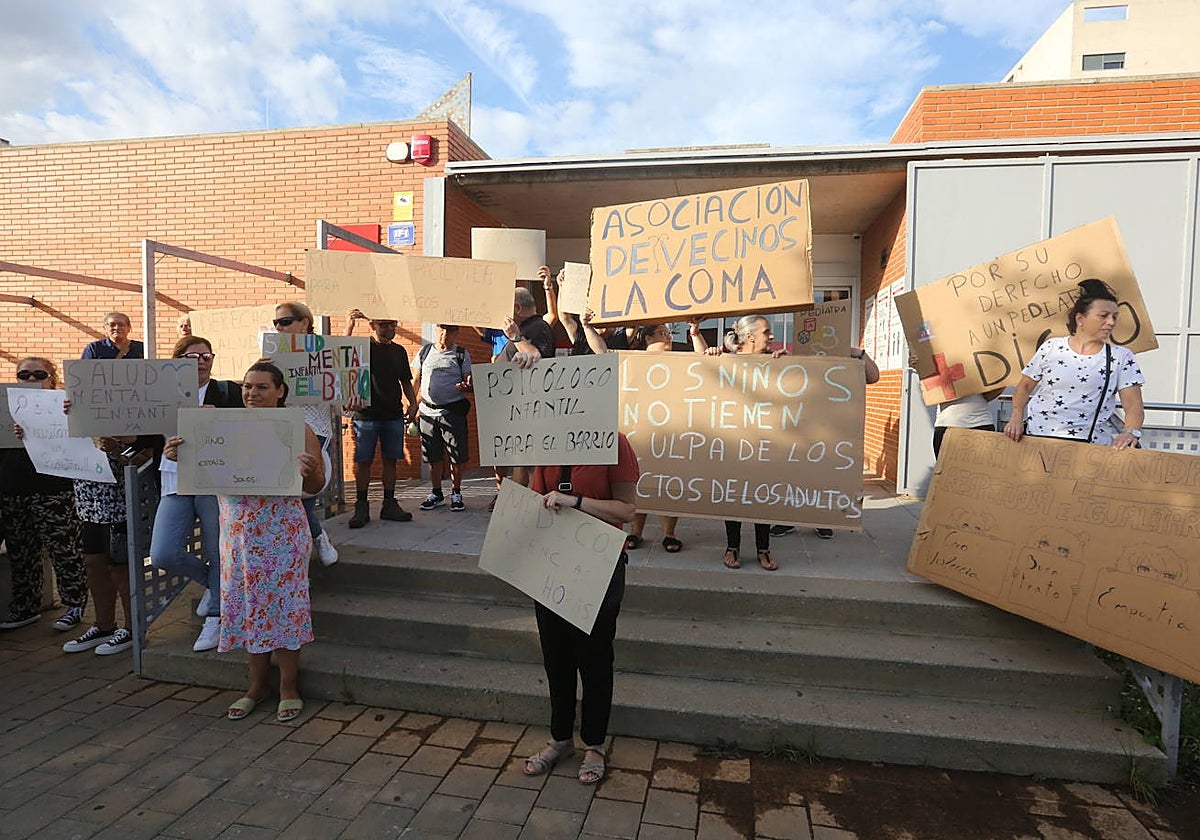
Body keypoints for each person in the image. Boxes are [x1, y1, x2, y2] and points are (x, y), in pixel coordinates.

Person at [165, 362, 324, 723]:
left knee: (284, 609)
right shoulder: (221, 426)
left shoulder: (296, 428)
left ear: (280, 391)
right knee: (248, 607)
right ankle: (256, 686)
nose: (252, 393)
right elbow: (199, 471)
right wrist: (178, 456)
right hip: (238, 536)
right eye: (248, 386)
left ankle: (288, 687)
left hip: (282, 535)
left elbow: (315, 485)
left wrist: (311, 471)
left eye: (262, 387)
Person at [522, 431, 639, 787]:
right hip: (553, 564)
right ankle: (560, 739)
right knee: (556, 657)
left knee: (595, 659)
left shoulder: (614, 442)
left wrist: (576, 502)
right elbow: (534, 500)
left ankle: (595, 745)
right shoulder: (547, 443)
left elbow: (627, 510)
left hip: (598, 565)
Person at [149, 336, 243, 652]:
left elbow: (249, 429)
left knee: (218, 550)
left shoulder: (227, 392)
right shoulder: (160, 396)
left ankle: (216, 617)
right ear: (177, 360)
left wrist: (220, 421)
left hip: (214, 480)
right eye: (193, 357)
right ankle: (214, 585)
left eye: (207, 356)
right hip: (174, 478)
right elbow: (138, 435)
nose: (202, 361)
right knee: (163, 553)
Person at [1004, 278, 1145, 449]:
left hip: (1088, 447)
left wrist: (1130, 432)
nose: (1111, 322)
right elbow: (1024, 387)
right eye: (1103, 316)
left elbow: (1133, 404)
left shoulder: (1121, 357)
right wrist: (1016, 417)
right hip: (1038, 441)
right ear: (1080, 318)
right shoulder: (1051, 347)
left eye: (1114, 317)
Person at [0, 358, 87, 632]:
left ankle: (74, 604)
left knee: (64, 550)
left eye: (39, 374)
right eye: (24, 374)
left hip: (53, 489)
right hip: (13, 488)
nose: (30, 379)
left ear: (52, 379)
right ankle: (26, 606)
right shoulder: (7, 406)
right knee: (21, 552)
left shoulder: (63, 406)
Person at [771, 344, 879, 540]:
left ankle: (821, 519)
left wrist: (859, 353)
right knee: (793, 476)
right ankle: (787, 518)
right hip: (799, 428)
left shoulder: (846, 358)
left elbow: (874, 377)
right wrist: (785, 360)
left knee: (823, 477)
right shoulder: (799, 357)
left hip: (830, 430)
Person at [260, 302, 338, 566]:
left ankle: (312, 541)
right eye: (276, 323)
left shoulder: (327, 354)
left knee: (302, 489)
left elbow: (340, 400)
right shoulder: (271, 357)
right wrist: (262, 372)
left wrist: (353, 400)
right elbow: (258, 394)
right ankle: (315, 537)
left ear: (305, 322)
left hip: (315, 431)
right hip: (280, 430)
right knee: (289, 492)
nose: (279, 328)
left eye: (285, 322)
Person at [622, 320, 709, 554]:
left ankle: (669, 533)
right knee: (638, 481)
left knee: (668, 480)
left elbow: (703, 360)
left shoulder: (678, 360)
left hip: (671, 430)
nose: (668, 337)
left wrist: (695, 333)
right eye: (662, 333)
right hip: (639, 429)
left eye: (669, 333)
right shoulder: (632, 361)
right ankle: (636, 531)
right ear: (648, 339)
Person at [720, 315, 787, 571]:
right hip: (734, 441)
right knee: (733, 494)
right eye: (767, 332)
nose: (771, 336)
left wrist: (790, 367)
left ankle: (763, 548)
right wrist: (711, 355)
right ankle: (732, 546)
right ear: (750, 337)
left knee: (762, 493)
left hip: (764, 442)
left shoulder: (774, 362)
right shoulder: (727, 362)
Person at [344, 309, 418, 528]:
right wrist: (349, 326)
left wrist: (413, 403)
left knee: (391, 460)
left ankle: (389, 504)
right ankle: (361, 506)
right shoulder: (363, 348)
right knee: (363, 460)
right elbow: (342, 356)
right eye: (384, 324)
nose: (390, 328)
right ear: (373, 326)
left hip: (393, 413)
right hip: (365, 415)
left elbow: (405, 381)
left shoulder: (399, 351)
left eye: (393, 324)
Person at [413, 324, 473, 512]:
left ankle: (456, 493)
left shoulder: (461, 354)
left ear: (456, 333)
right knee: (433, 456)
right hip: (427, 412)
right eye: (441, 329)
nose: (444, 334)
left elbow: (469, 380)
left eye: (450, 330)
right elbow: (416, 380)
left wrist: (467, 386)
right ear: (436, 329)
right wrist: (411, 405)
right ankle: (436, 493)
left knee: (456, 455)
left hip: (452, 412)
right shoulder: (424, 352)